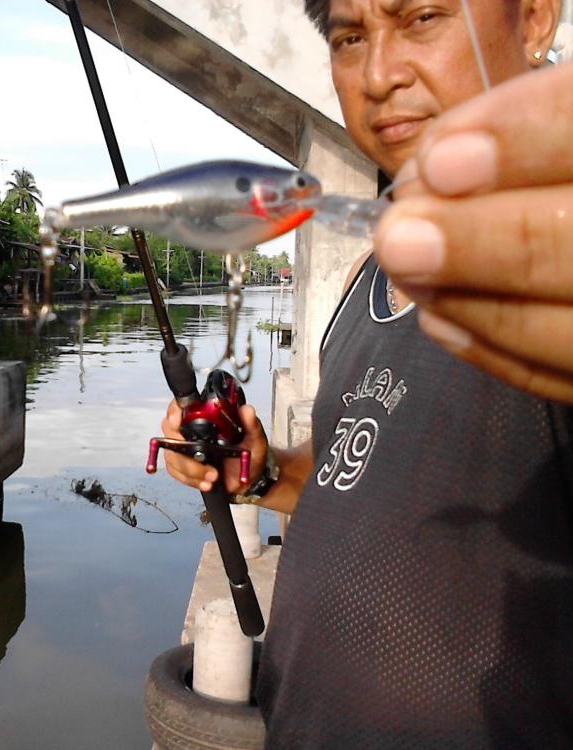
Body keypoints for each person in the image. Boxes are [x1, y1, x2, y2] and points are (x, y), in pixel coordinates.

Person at [162, 0, 573, 746]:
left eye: (421, 18)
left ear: (536, 19)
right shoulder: (368, 277)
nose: (378, 73)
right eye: (351, 37)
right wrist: (259, 472)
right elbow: (354, 477)